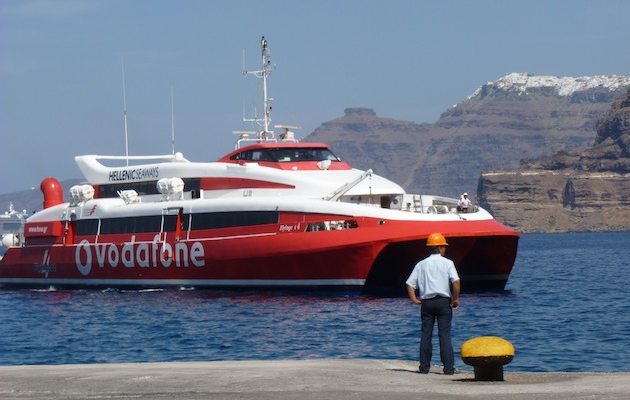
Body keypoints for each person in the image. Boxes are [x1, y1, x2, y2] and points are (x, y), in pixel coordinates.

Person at [406, 232, 461, 375]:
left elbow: (410, 284)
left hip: (427, 303)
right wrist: (455, 299)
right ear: (441, 247)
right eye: (444, 247)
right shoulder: (448, 263)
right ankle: (448, 369)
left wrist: (414, 299)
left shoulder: (421, 264)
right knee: (444, 335)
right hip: (443, 302)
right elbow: (456, 281)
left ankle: (424, 368)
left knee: (426, 335)